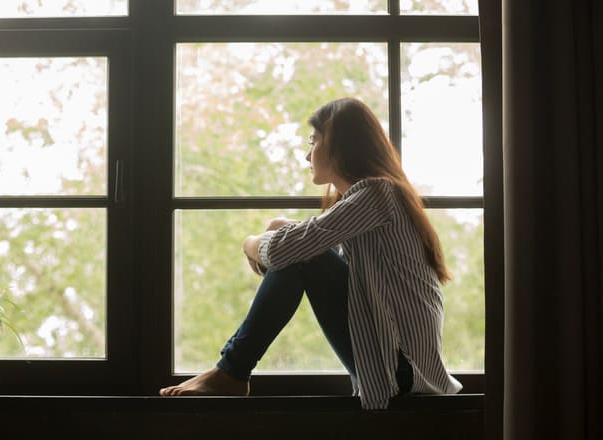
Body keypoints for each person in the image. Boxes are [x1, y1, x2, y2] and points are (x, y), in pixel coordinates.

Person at [159, 97, 463, 409]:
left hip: (402, 374)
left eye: (314, 141)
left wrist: (251, 242)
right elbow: (308, 252)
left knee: (302, 254)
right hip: (398, 370)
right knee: (300, 251)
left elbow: (286, 252)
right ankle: (230, 372)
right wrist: (279, 229)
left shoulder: (377, 194)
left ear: (342, 146)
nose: (307, 154)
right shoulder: (377, 199)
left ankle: (232, 372)